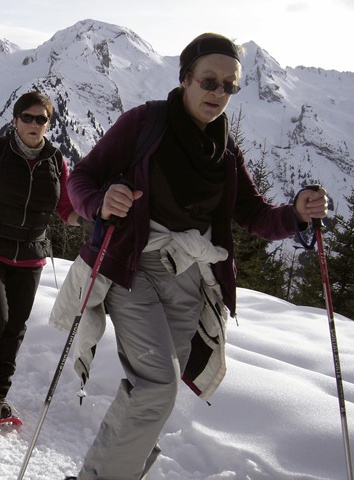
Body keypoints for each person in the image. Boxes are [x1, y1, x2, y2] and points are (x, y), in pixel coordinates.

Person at [55, 33, 329, 480]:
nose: (219, 93)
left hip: (188, 277)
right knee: (157, 386)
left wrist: (295, 214)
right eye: (209, 81)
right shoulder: (145, 123)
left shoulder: (224, 151)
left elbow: (253, 215)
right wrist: (101, 201)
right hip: (133, 268)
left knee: (160, 389)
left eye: (229, 86)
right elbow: (82, 178)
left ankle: (114, 471)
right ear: (186, 79)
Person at [0, 91, 79, 423]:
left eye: (42, 119)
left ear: (49, 123)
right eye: (28, 117)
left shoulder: (55, 160)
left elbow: (66, 210)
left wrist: (96, 213)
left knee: (16, 326)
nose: (35, 124)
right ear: (15, 119)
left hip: (31, 255)